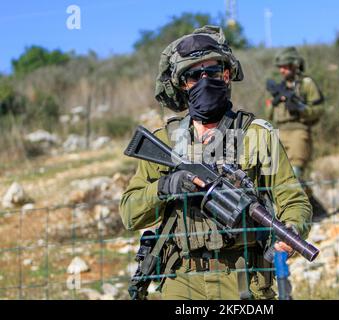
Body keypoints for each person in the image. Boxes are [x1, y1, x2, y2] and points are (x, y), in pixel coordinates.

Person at [119, 26, 312, 300]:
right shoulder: (166, 141)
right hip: (180, 279)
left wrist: (292, 228)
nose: (204, 81)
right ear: (181, 85)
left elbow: (294, 200)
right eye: (193, 76)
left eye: (213, 72)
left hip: (244, 280)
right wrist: (165, 186)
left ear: (228, 75)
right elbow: (129, 214)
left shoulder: (257, 135)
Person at [265, 46, 327, 218]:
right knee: (280, 176)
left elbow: (319, 109)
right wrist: (276, 102)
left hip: (299, 132)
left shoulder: (306, 84)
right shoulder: (279, 87)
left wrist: (300, 108)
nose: (282, 70)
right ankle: (309, 207)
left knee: (296, 173)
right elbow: (269, 115)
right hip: (279, 132)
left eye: (285, 66)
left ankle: (310, 210)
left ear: (294, 65)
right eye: (280, 67)